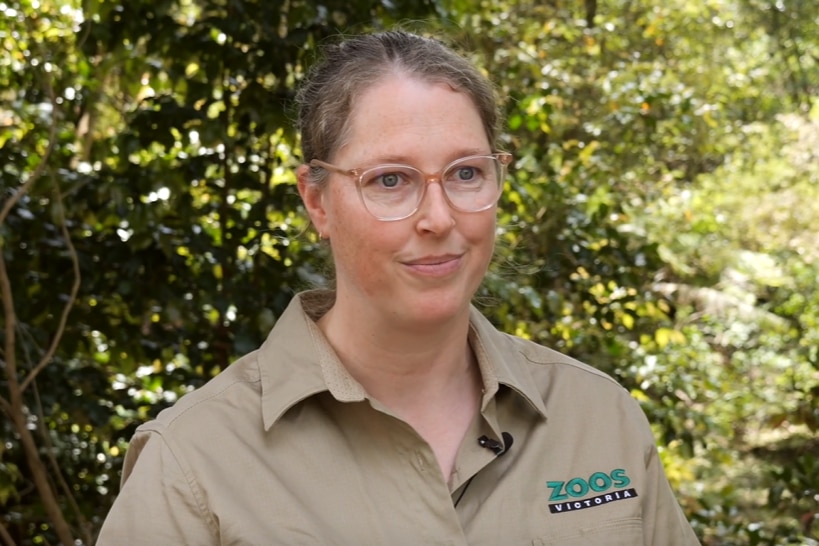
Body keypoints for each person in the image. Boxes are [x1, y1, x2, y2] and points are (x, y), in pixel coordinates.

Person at [97, 30, 700, 545]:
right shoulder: (195, 464)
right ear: (317, 201)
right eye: (391, 180)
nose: (438, 218)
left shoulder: (598, 419)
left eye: (466, 173)